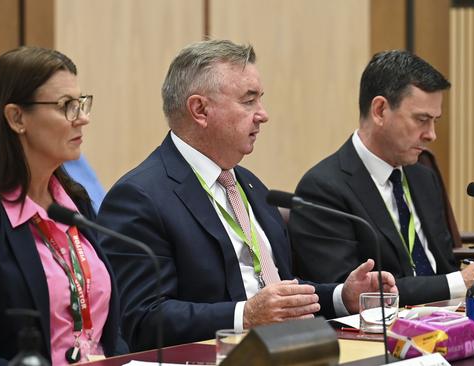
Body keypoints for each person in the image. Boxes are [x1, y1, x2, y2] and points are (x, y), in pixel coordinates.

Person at [97, 40, 397, 351]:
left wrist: (342, 295)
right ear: (200, 109)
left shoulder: (248, 184)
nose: (262, 115)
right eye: (248, 101)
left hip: (290, 349)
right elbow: (142, 319)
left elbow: (277, 290)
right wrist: (245, 314)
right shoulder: (140, 197)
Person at [0, 47, 127, 365]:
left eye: (82, 103)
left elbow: (109, 336)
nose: (83, 118)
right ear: (17, 117)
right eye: (66, 107)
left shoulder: (75, 203)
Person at [288, 50, 474, 306]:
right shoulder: (323, 188)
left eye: (435, 121)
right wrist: (460, 282)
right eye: (422, 120)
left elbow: (443, 264)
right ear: (380, 110)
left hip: (452, 319)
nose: (431, 135)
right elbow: (351, 294)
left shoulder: (423, 177)